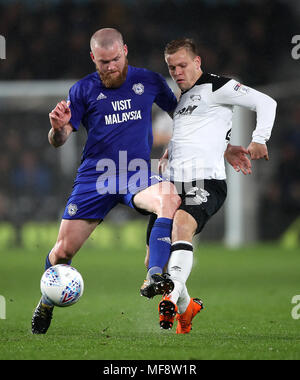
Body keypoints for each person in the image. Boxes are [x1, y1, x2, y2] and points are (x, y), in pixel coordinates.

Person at [31, 28, 182, 334]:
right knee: (62, 253)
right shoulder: (82, 90)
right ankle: (47, 301)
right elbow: (58, 140)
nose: (111, 66)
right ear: (93, 58)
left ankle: (154, 274)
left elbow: (183, 113)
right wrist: (57, 128)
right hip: (96, 177)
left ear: (125, 51)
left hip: (136, 171)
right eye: (103, 62)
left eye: (115, 59)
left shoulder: (149, 81)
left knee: (169, 197)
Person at [141, 38, 277, 333]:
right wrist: (173, 150)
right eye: (171, 67)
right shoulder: (182, 99)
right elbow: (198, 134)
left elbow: (266, 102)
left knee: (181, 225)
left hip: (206, 181)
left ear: (197, 62)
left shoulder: (219, 86)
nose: (177, 72)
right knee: (154, 259)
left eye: (182, 65)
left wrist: (259, 138)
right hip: (172, 182)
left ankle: (172, 295)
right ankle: (186, 307)